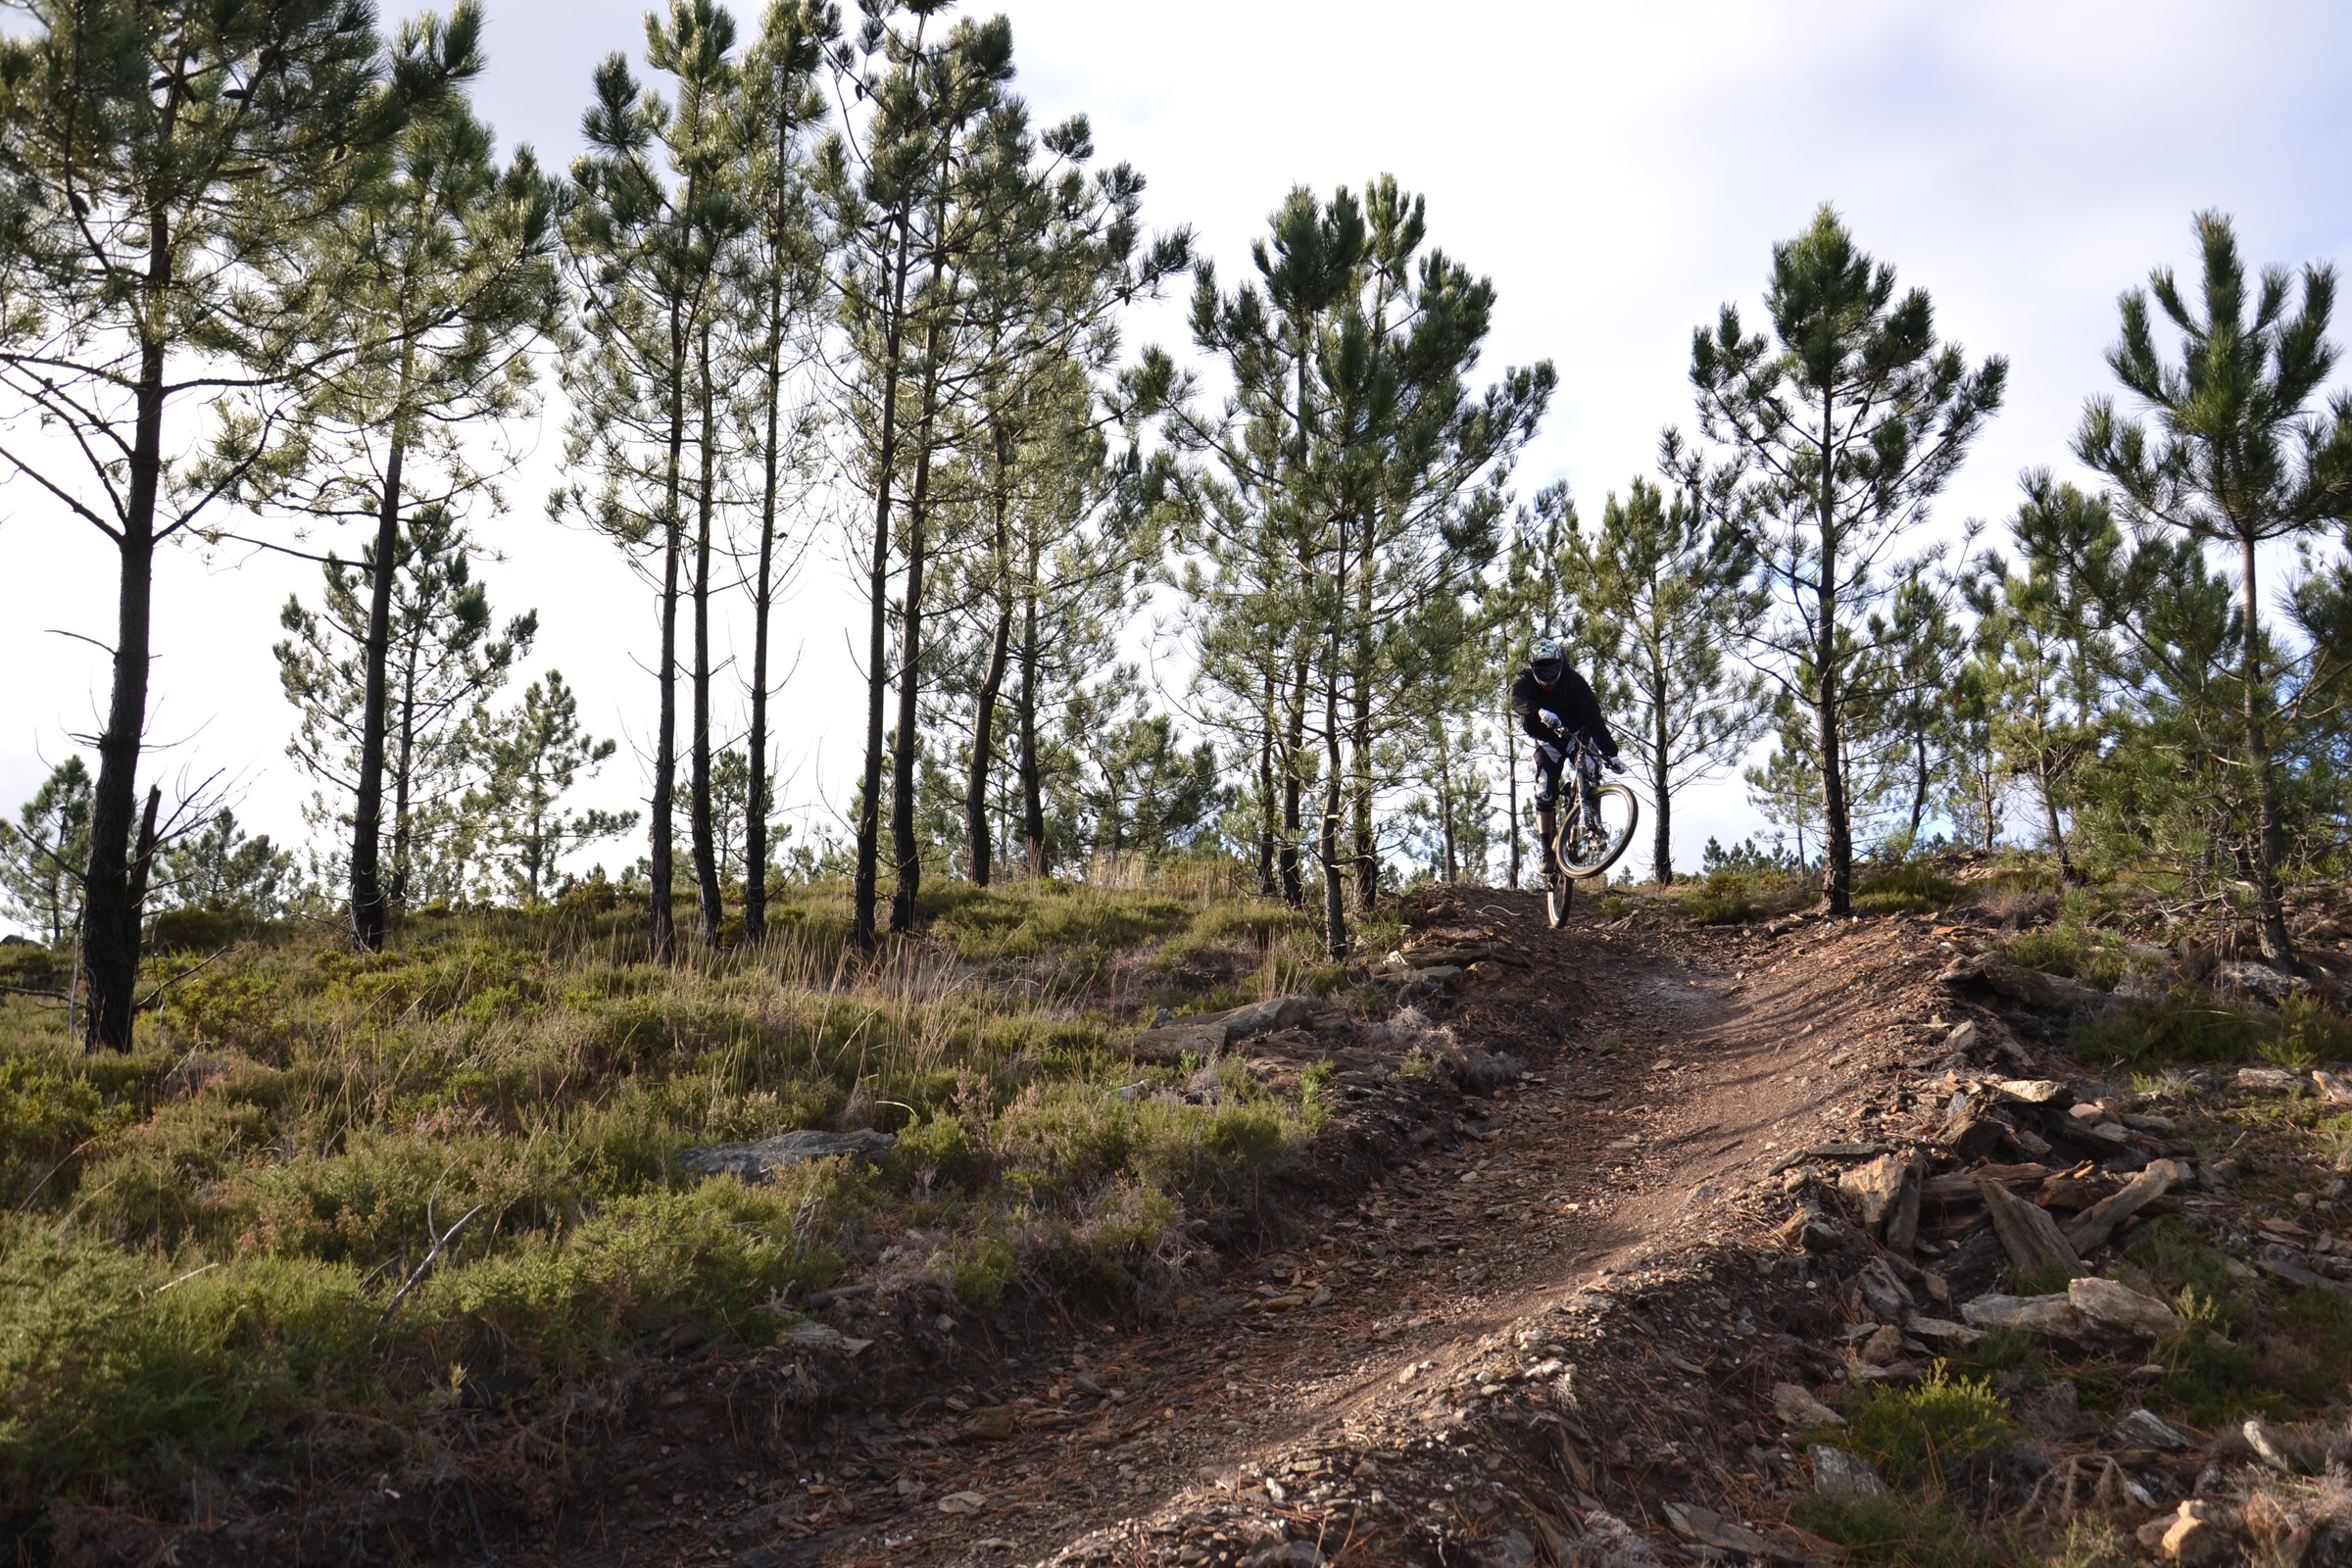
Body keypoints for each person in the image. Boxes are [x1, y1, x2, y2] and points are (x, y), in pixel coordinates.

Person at [1510, 638, 1620, 870]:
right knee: (1544, 791)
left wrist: (1611, 753)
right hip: (1547, 739)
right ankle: (1546, 851)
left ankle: (1595, 827)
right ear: (1533, 669)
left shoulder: (1574, 681)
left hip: (1576, 734)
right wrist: (1538, 711)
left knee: (1591, 771)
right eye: (1542, 671)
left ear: (1560, 665)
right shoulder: (1525, 681)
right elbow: (1517, 700)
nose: (1548, 676)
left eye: (1552, 670)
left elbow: (1593, 716)